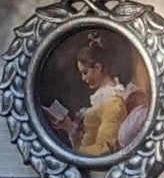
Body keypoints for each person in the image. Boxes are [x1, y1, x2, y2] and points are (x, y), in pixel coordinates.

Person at [46, 30, 133, 158]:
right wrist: (69, 127)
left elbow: (103, 150)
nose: (83, 78)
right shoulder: (103, 98)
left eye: (85, 72)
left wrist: (72, 153)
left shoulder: (114, 102)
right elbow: (87, 143)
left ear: (98, 67)